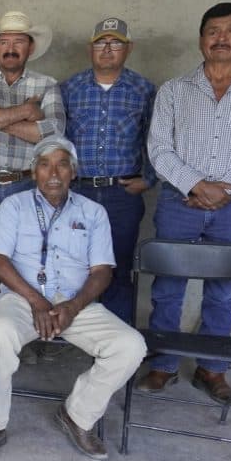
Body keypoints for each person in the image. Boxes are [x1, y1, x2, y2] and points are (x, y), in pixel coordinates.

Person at [0, 137, 145, 461]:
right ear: (34, 171)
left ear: (73, 172)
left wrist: (72, 307)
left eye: (62, 164)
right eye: (45, 164)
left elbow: (102, 271)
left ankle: (77, 415)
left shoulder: (94, 212)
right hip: (23, 298)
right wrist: (36, 301)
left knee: (131, 345)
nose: (53, 173)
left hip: (76, 303)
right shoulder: (13, 206)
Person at [139, 2, 231, 404]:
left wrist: (224, 192)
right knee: (168, 286)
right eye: (213, 30)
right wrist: (195, 185)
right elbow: (158, 148)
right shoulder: (175, 90)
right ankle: (162, 364)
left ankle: (212, 370)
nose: (221, 37)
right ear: (201, 39)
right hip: (180, 201)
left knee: (222, 289)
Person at [0, 10, 65, 341]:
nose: (10, 47)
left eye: (18, 41)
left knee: (23, 265)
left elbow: (52, 134)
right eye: (4, 41)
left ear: (30, 48)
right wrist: (26, 113)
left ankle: (18, 337)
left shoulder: (46, 84)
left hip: (24, 184)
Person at [61, 17, 156, 323]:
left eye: (115, 43)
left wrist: (149, 179)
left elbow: (155, 140)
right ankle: (65, 333)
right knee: (71, 266)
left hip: (121, 195)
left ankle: (119, 346)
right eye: (101, 42)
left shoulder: (143, 90)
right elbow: (56, 139)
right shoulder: (69, 89)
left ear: (128, 49)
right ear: (91, 48)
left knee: (116, 268)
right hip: (77, 192)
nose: (107, 49)